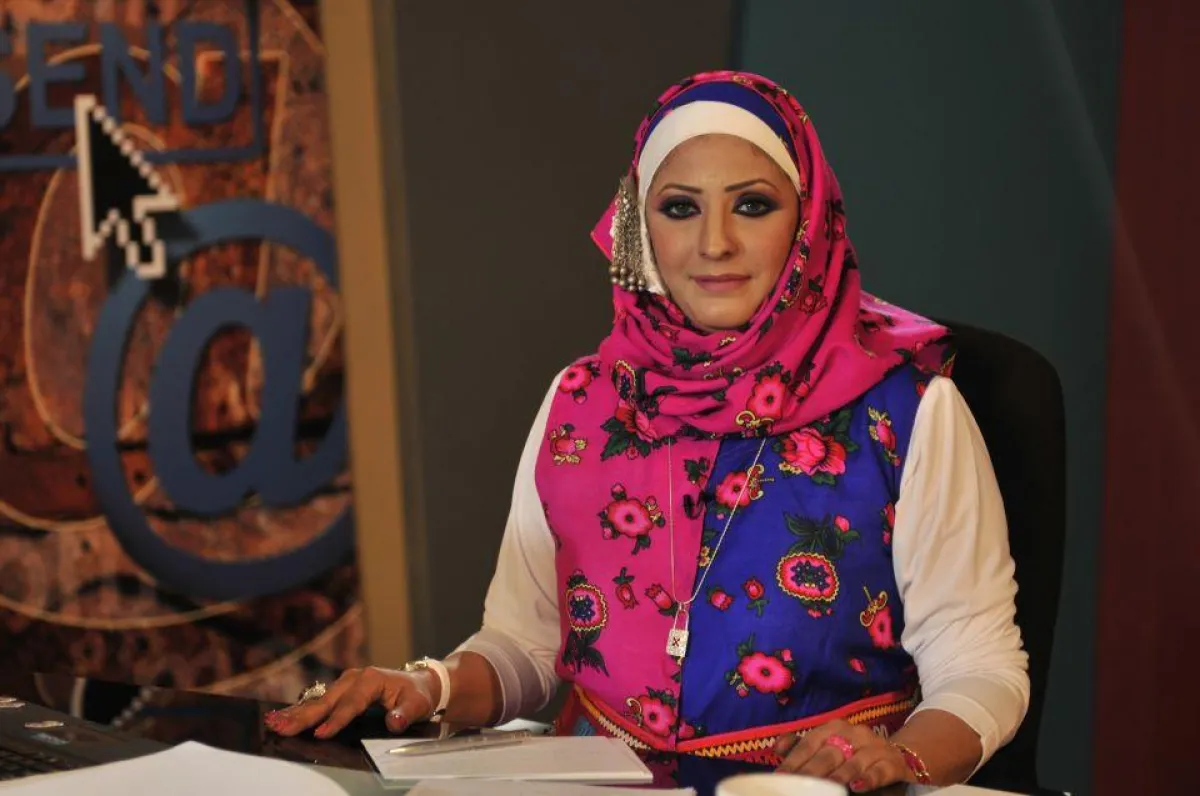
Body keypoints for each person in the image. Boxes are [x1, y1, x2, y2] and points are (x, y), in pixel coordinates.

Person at [266, 71, 1029, 794]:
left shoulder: (907, 413)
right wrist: (426, 687)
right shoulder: (581, 404)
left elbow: (982, 667)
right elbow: (525, 646)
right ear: (639, 228)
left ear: (808, 220)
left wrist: (900, 757)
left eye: (752, 205)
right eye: (680, 208)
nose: (715, 243)